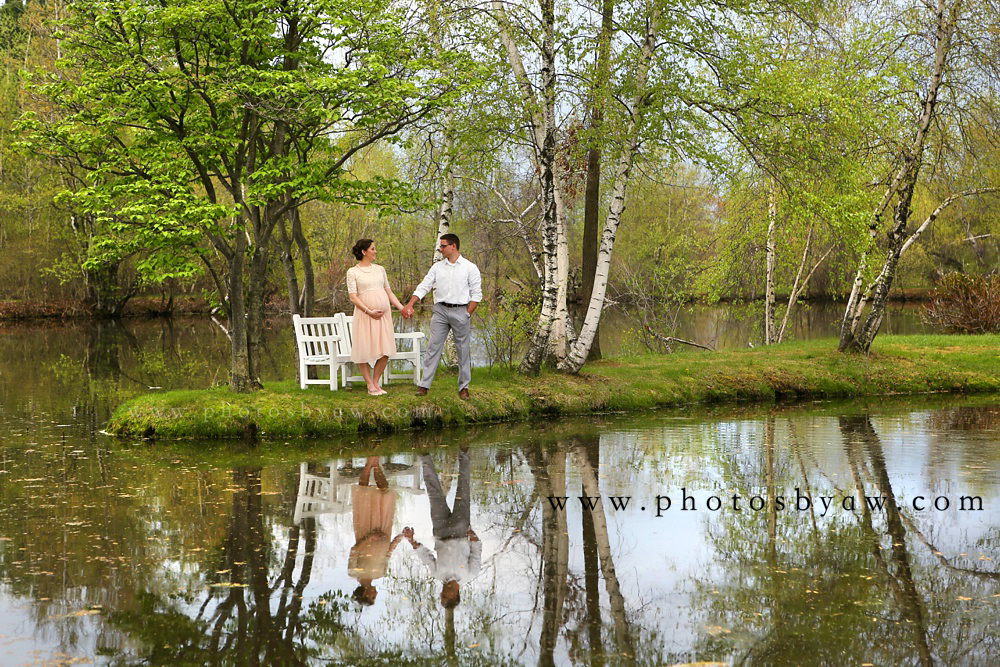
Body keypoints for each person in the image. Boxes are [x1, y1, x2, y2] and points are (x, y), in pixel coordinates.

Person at [401, 234, 482, 399]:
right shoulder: (437, 268)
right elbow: (424, 286)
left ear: (453, 246)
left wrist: (467, 314)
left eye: (443, 246)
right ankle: (424, 385)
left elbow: (477, 295)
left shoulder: (469, 267)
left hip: (461, 311)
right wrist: (410, 304)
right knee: (433, 348)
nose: (440, 249)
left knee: (463, 350)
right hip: (440, 311)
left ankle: (463, 387)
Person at [402, 447, 480, 608]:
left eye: (441, 596)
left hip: (441, 531)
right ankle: (463, 453)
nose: (441, 593)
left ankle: (424, 456)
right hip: (460, 531)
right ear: (453, 595)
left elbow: (427, 558)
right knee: (463, 491)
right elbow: (476, 552)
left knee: (434, 494)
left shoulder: (438, 574)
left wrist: (411, 541)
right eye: (444, 596)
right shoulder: (470, 574)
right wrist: (473, 537)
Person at [347, 239, 406, 396]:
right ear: (364, 252)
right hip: (365, 315)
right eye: (373, 249)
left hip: (383, 316)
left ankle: (375, 382)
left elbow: (389, 292)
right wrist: (368, 311)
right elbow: (353, 297)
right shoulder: (353, 272)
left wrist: (401, 308)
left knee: (385, 349)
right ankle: (369, 384)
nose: (375, 251)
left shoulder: (380, 270)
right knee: (363, 349)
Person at [348, 456, 404, 606]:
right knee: (385, 495)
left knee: (363, 496)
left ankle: (369, 463)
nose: (375, 594)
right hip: (384, 529)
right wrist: (399, 538)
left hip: (365, 531)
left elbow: (354, 551)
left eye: (372, 597)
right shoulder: (380, 574)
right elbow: (387, 554)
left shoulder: (354, 572)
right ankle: (376, 464)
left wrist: (369, 538)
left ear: (365, 594)